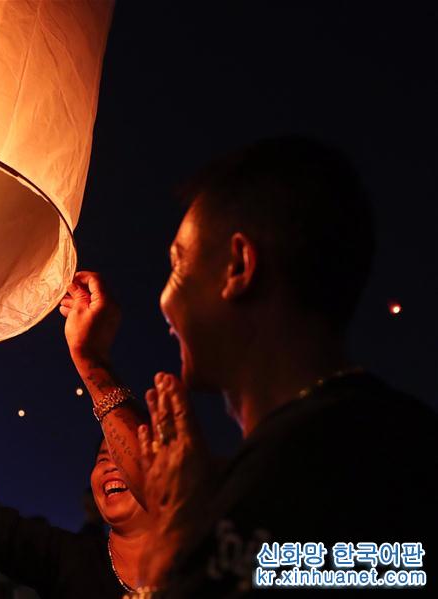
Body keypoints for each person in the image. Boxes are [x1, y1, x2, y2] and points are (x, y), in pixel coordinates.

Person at [61, 137, 438, 595]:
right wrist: (93, 362)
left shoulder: (296, 482)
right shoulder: (397, 436)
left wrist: (176, 551)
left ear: (238, 266)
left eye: (178, 266)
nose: (165, 302)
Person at [0, 350, 152, 598]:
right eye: (102, 458)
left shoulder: (197, 562)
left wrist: (93, 362)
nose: (110, 465)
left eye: (121, 456)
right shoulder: (68, 559)